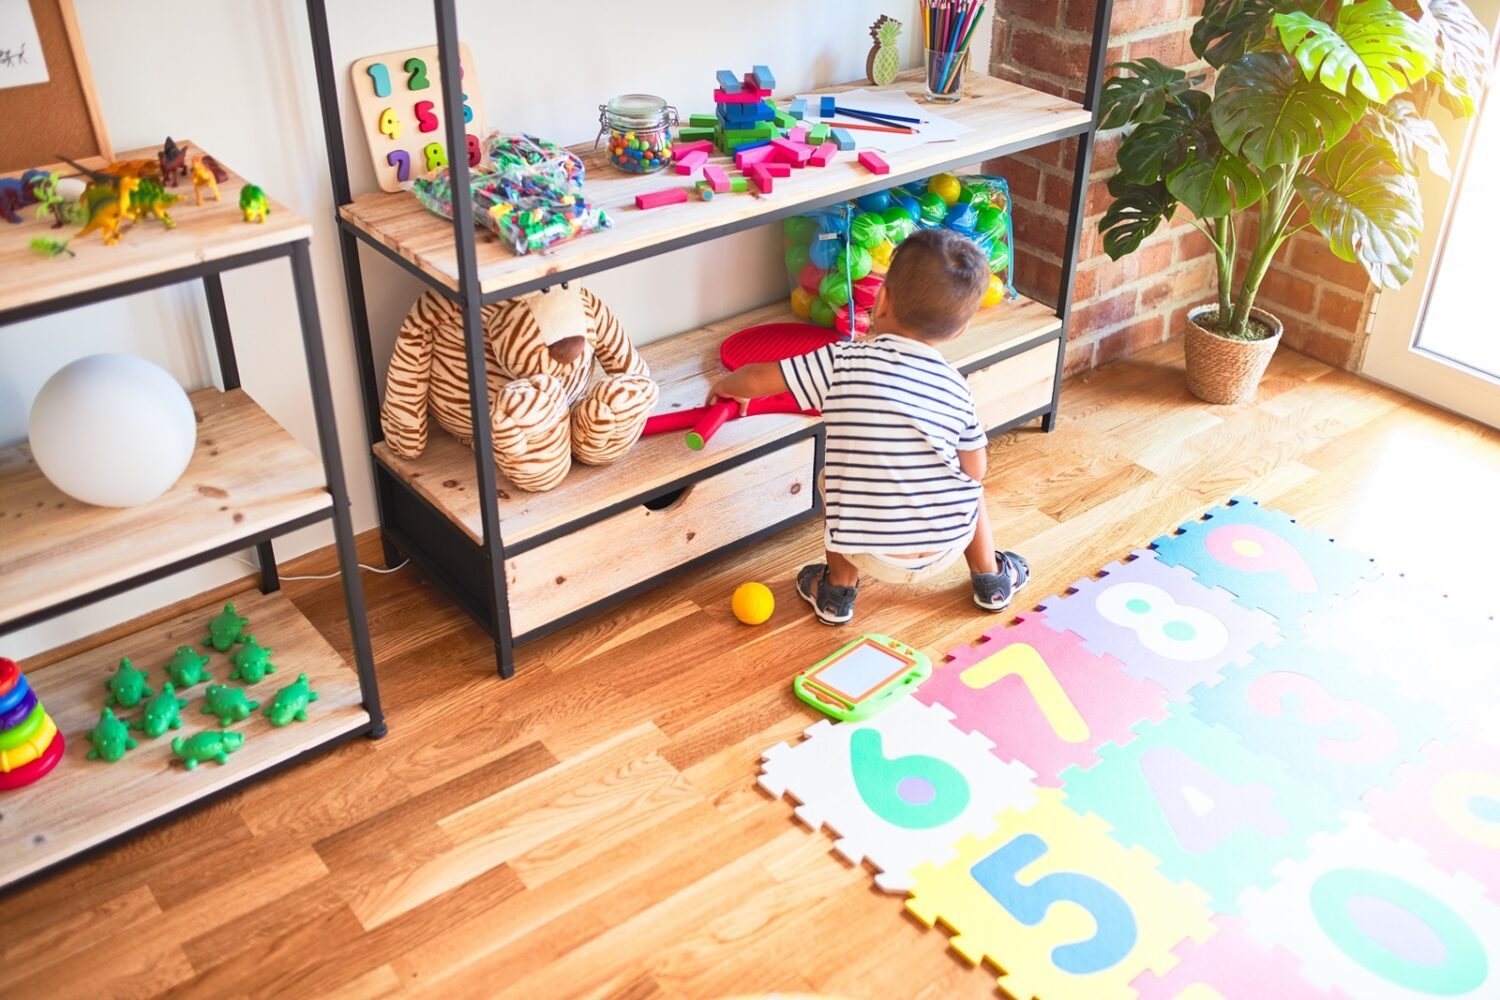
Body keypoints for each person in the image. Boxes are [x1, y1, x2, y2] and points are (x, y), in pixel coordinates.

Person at [707, 228, 1029, 625]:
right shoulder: (955, 385)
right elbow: (975, 469)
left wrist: (726, 386)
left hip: (867, 551)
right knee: (969, 488)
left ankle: (836, 593)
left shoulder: (841, 360)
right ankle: (990, 579)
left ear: (881, 300)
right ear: (960, 330)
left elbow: (758, 380)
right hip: (947, 546)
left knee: (833, 480)